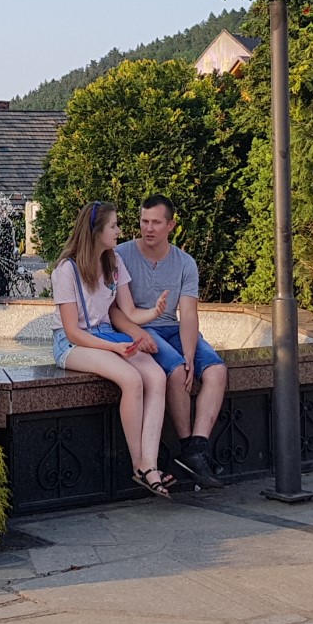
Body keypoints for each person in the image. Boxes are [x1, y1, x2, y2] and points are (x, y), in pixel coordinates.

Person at [52, 201, 174, 498]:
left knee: (156, 376)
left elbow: (129, 312)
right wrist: (115, 347)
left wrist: (154, 312)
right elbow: (72, 331)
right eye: (113, 226)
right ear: (95, 231)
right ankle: (139, 465)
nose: (119, 231)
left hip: (107, 335)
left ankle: (151, 463)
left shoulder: (114, 262)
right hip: (73, 343)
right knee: (131, 379)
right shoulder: (66, 270)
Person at [110, 194, 228, 488]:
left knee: (216, 371)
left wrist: (190, 352)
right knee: (176, 371)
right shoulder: (121, 255)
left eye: (156, 223)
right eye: (144, 221)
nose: (148, 228)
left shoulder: (185, 263)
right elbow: (112, 310)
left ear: (171, 225)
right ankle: (187, 444)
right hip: (140, 328)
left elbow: (187, 314)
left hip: (173, 327)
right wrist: (137, 332)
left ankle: (196, 448)